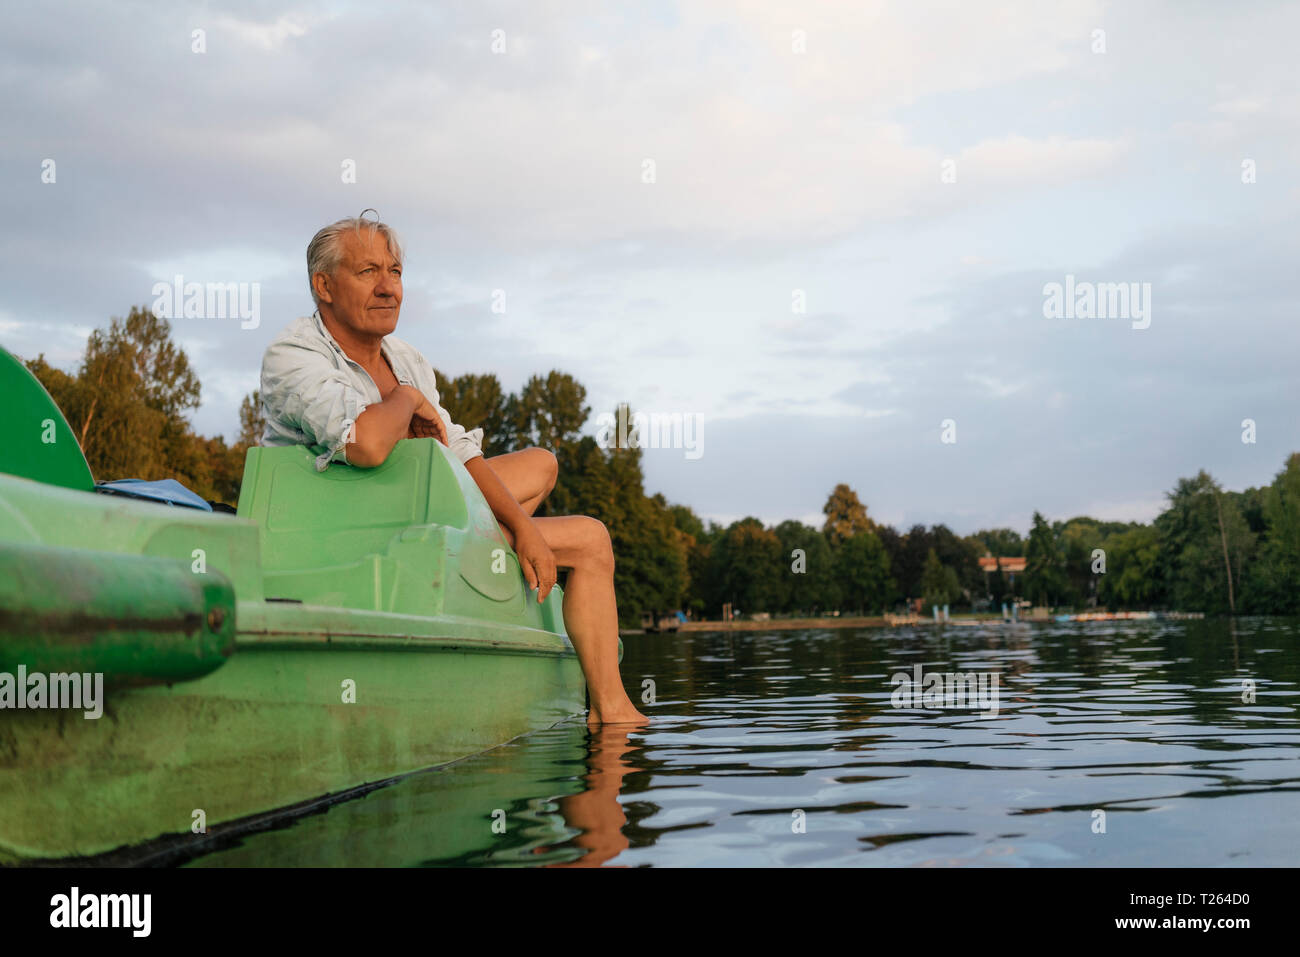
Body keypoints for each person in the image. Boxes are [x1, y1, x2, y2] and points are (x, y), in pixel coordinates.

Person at [260, 211, 647, 726]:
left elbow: (458, 451)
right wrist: (406, 401)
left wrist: (525, 529)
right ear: (323, 285)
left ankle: (491, 549)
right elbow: (369, 445)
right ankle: (612, 711)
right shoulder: (294, 353)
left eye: (395, 272)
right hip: (348, 522)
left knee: (541, 464)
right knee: (591, 539)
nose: (388, 288)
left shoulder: (406, 356)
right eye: (367, 272)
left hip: (416, 499)